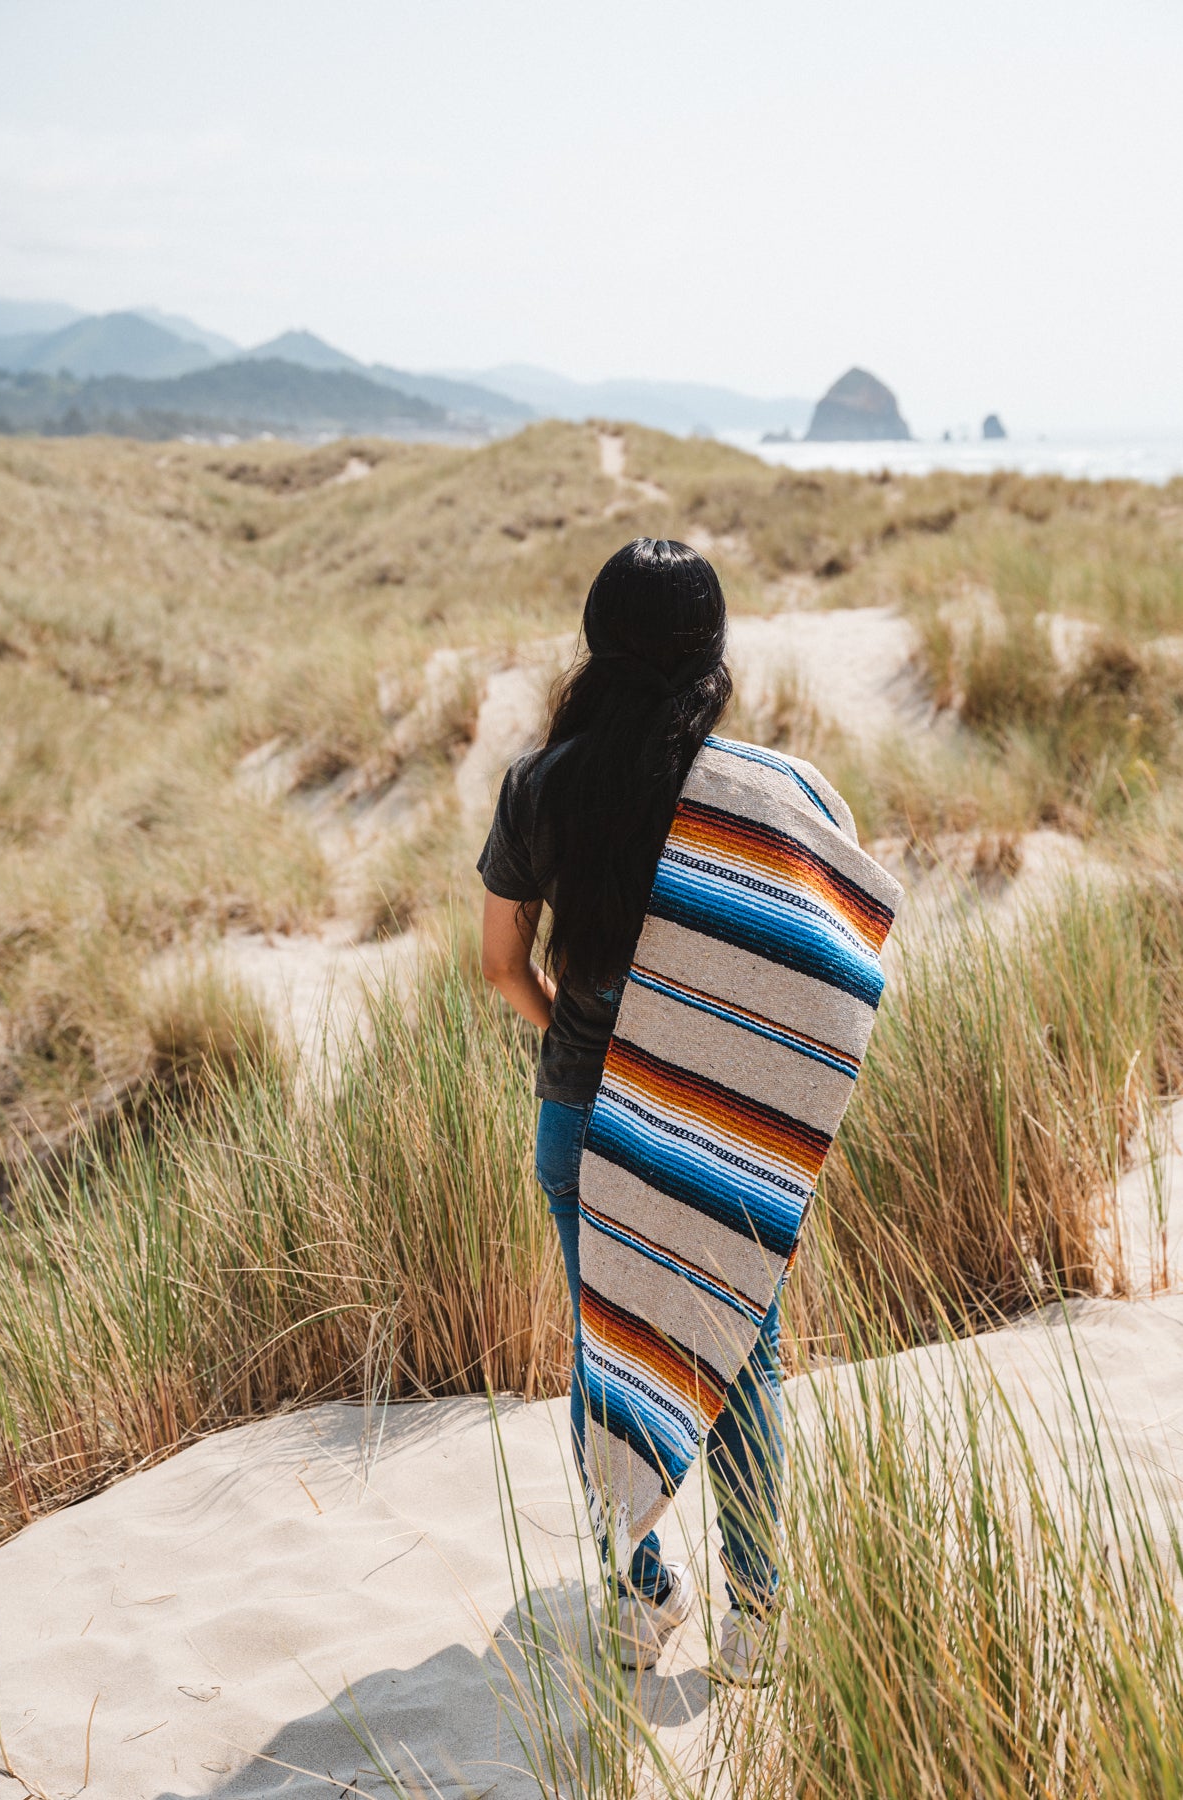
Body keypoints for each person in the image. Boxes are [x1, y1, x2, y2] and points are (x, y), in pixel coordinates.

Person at [476, 538, 786, 1683]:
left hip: (586, 1120)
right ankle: (756, 1618)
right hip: (719, 1131)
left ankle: (642, 1597)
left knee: (605, 1356)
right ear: (709, 654)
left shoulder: (538, 784)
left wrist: (577, 1028)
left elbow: (502, 966)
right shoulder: (752, 793)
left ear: (597, 647)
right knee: (745, 1364)